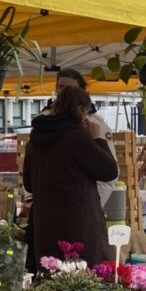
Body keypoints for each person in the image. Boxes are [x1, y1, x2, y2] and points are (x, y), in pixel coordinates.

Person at [23, 85, 118, 265]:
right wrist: (97, 138)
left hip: (46, 227)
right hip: (80, 228)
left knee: (50, 280)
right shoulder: (77, 138)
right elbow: (109, 171)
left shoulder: (34, 140)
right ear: (80, 110)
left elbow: (28, 184)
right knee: (83, 284)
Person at [55, 68, 117, 206]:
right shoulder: (43, 122)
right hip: (49, 209)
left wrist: (93, 204)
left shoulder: (94, 126)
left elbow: (109, 174)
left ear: (81, 91)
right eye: (61, 87)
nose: (64, 92)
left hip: (81, 207)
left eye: (70, 88)